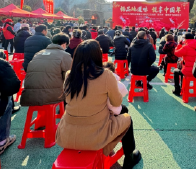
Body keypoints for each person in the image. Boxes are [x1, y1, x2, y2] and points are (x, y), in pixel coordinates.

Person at [56, 40, 141, 169]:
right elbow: (117, 102)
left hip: (66, 134)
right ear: (98, 55)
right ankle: (129, 158)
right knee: (127, 117)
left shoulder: (69, 75)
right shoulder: (106, 75)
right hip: (95, 137)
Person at [21, 33, 72, 107]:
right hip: (51, 96)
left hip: (30, 95)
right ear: (64, 44)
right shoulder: (65, 55)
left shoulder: (39, 53)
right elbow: (69, 77)